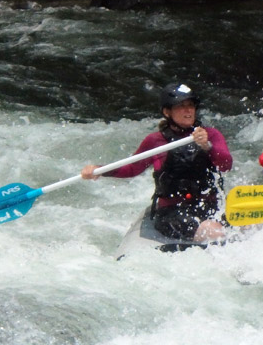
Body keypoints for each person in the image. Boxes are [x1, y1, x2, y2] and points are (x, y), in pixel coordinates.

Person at [81, 82, 233, 242]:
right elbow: (132, 168)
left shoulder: (211, 135)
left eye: (191, 105)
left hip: (210, 206)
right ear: (167, 112)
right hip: (172, 211)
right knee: (214, 231)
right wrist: (99, 170)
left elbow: (226, 165)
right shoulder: (156, 141)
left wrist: (207, 146)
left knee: (239, 227)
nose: (188, 110)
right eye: (181, 106)